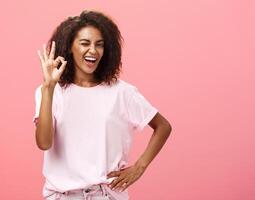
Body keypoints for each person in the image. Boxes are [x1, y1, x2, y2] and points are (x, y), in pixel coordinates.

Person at [33, 10, 172, 200]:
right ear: (69, 47)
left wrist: (140, 167)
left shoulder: (122, 92)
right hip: (61, 196)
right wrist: (48, 88)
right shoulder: (49, 92)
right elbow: (44, 143)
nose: (93, 50)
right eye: (84, 43)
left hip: (105, 195)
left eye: (100, 45)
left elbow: (163, 126)